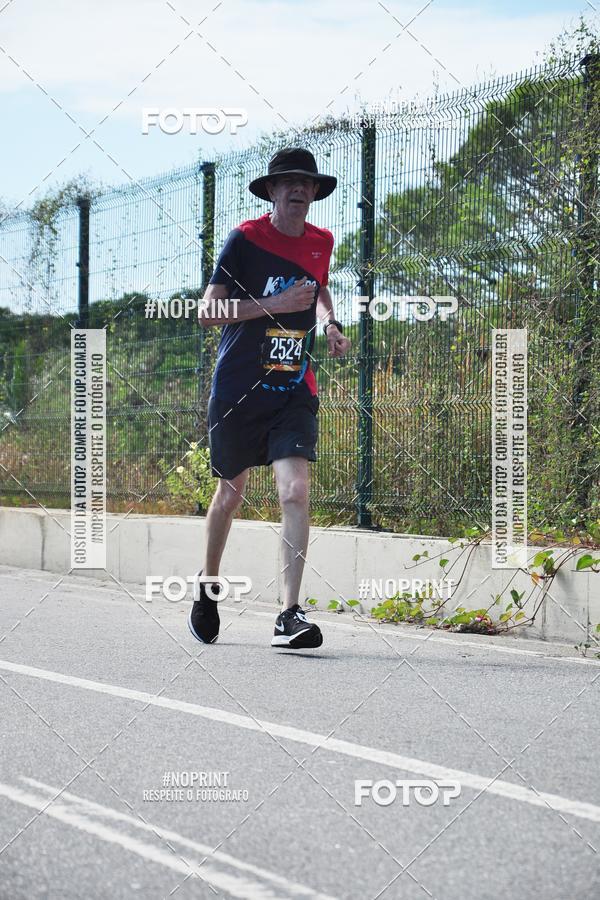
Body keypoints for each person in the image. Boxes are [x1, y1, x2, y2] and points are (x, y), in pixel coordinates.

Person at [188, 147, 351, 649]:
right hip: (239, 387)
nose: (300, 190)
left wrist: (330, 322)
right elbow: (208, 313)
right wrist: (273, 305)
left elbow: (319, 288)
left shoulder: (321, 241)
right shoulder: (245, 240)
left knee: (295, 491)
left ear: (315, 193)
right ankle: (208, 585)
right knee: (230, 495)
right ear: (272, 191)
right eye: (289, 183)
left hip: (292, 386)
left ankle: (289, 614)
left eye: (307, 183)